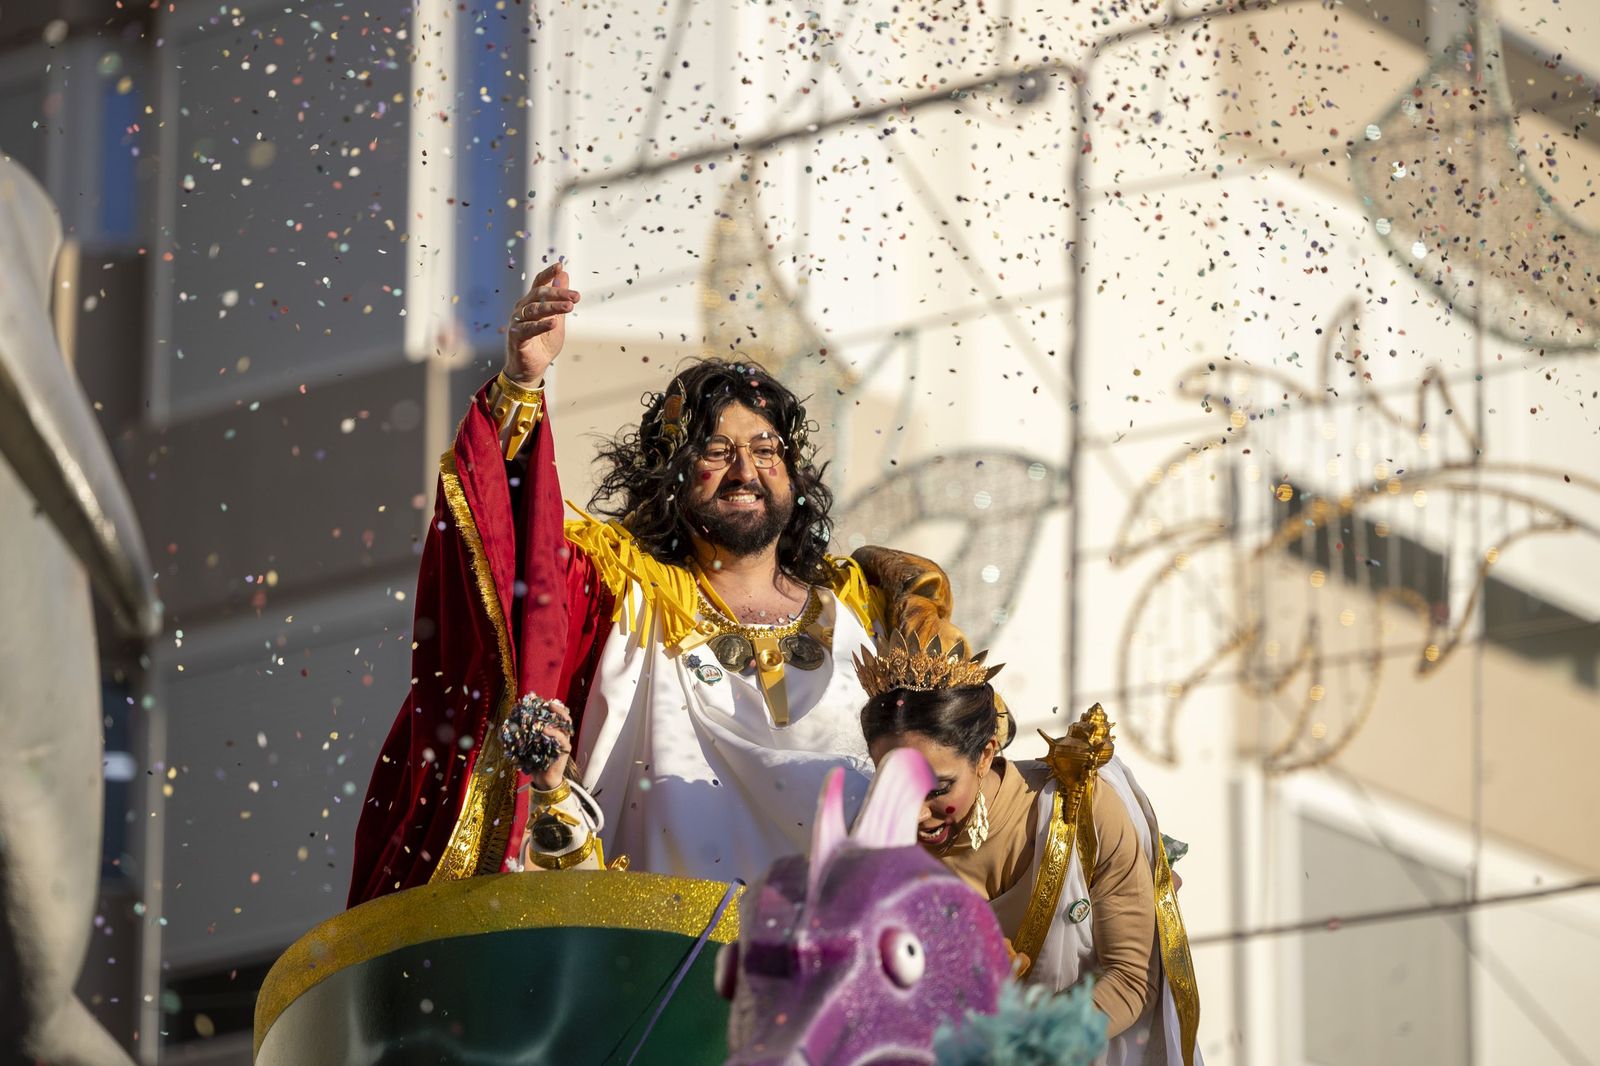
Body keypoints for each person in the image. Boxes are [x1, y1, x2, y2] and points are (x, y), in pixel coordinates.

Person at [348, 259, 960, 904]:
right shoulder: (617, 591)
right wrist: (522, 385)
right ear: (673, 475)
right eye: (717, 452)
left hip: (846, 965)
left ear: (794, 473)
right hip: (657, 965)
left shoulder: (871, 603)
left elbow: (955, 770)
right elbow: (509, 546)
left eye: (767, 450)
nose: (746, 470)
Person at [855, 631, 1202, 1066]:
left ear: (985, 756)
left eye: (937, 789)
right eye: (897, 788)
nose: (918, 814)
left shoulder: (1079, 811)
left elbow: (1131, 980)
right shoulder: (875, 848)